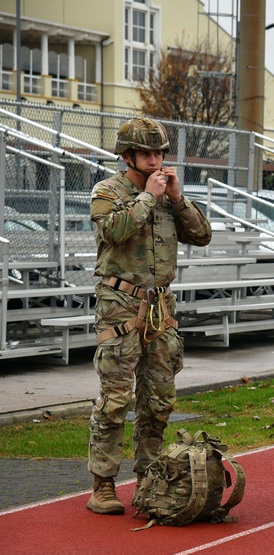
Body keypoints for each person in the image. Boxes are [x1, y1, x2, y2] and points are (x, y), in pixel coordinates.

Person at [86, 117, 212, 514]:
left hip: (160, 308)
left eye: (159, 153)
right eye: (147, 154)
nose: (156, 161)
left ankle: (148, 478)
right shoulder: (108, 191)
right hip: (120, 304)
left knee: (158, 400)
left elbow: (202, 234)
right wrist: (146, 199)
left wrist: (176, 198)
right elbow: (113, 231)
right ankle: (103, 484)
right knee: (116, 399)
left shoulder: (166, 193)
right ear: (128, 156)